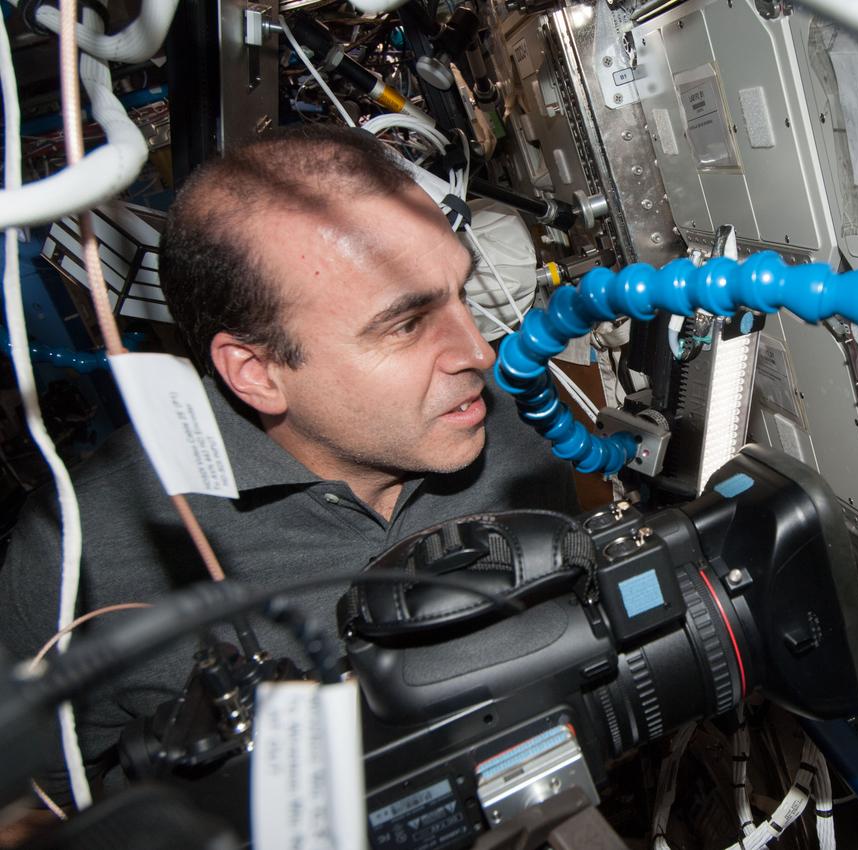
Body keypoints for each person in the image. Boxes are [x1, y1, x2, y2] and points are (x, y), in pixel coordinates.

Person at [0, 125, 579, 799]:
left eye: (460, 293)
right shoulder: (79, 554)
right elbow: (30, 806)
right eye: (405, 323)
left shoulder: (517, 428)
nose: (478, 351)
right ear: (257, 372)